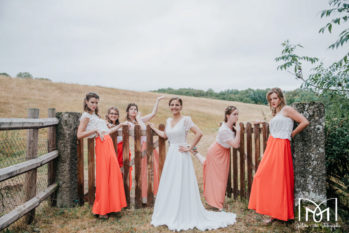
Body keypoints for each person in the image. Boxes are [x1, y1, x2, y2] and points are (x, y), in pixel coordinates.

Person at [150, 97, 236, 231]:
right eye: (172, 105)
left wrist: (189, 148)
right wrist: (153, 128)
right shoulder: (168, 120)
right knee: (171, 181)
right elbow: (165, 136)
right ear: (169, 107)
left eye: (177, 105)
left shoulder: (186, 120)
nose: (174, 107)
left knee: (182, 182)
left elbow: (199, 133)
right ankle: (170, 211)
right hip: (172, 155)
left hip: (182, 154)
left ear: (181, 106)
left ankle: (184, 210)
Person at [248, 87, 309, 223]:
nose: (273, 101)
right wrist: (264, 122)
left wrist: (292, 134)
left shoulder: (287, 109)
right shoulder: (277, 112)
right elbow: (277, 126)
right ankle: (273, 212)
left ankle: (277, 214)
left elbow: (305, 122)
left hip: (281, 146)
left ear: (280, 98)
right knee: (262, 176)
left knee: (278, 180)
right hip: (272, 145)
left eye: (275, 98)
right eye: (270, 99)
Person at [77, 92, 127, 219]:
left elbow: (107, 131)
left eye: (96, 102)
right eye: (92, 102)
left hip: (107, 142)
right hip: (101, 145)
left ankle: (112, 206)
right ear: (86, 101)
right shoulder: (86, 116)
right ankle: (102, 209)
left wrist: (119, 125)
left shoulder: (95, 115)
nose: (94, 105)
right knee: (104, 176)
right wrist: (94, 131)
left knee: (113, 174)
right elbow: (79, 135)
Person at [192, 105, 240, 211]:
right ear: (228, 115)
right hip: (217, 152)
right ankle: (216, 203)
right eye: (234, 114)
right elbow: (236, 145)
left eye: (237, 114)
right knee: (218, 178)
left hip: (224, 152)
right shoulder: (224, 130)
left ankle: (195, 153)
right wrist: (239, 131)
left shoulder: (230, 126)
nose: (237, 116)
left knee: (219, 177)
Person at [125, 96, 164, 203]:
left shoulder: (139, 120)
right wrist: (139, 119)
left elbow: (153, 114)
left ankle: (156, 193)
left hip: (151, 146)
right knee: (145, 171)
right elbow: (143, 129)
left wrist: (157, 100)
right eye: (131, 109)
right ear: (128, 112)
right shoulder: (128, 124)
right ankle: (145, 195)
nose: (134, 111)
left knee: (154, 169)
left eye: (135, 109)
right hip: (142, 148)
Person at [105, 106, 132, 191]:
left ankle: (124, 191)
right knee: (112, 172)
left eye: (116, 114)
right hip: (111, 151)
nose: (114, 115)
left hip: (122, 151)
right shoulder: (105, 124)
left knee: (124, 171)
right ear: (108, 115)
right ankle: (113, 191)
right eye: (112, 113)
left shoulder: (121, 125)